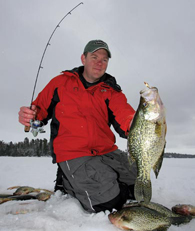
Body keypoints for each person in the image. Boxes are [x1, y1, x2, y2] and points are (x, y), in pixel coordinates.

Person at [18, 40, 137, 213]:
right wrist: (29, 115)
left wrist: (136, 123)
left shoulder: (111, 91)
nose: (99, 62)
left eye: (104, 60)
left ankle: (95, 182)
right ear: (83, 58)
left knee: (140, 183)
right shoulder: (60, 83)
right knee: (108, 204)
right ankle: (67, 182)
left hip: (105, 151)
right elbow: (39, 110)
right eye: (94, 57)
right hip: (74, 153)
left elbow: (125, 115)